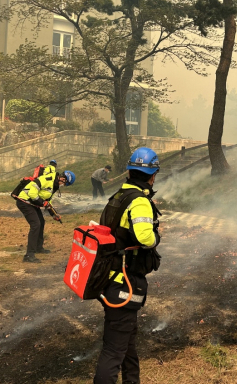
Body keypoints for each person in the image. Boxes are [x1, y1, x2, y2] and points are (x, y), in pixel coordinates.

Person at [93, 148, 161, 384]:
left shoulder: (118, 196)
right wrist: (155, 238)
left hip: (110, 278)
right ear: (152, 176)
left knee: (126, 341)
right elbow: (145, 237)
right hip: (124, 281)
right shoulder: (139, 201)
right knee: (113, 350)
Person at [16, 169, 75, 263]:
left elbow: (48, 201)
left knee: (41, 222)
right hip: (24, 201)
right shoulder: (47, 180)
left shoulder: (54, 185)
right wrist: (42, 203)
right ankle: (29, 255)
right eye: (65, 184)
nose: (63, 186)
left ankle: (39, 248)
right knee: (36, 225)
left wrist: (54, 214)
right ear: (63, 179)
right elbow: (32, 194)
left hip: (32, 203)